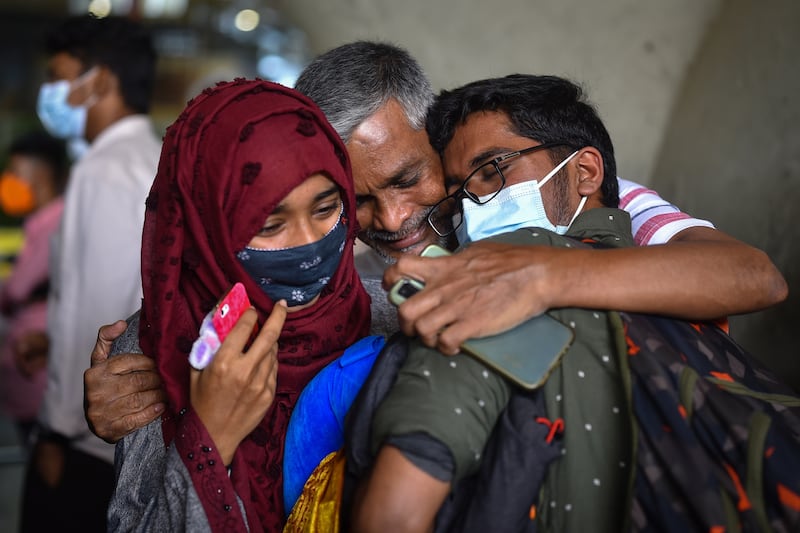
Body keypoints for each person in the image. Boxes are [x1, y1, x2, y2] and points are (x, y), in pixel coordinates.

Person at [83, 41, 786, 444]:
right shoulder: (327, 274)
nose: (390, 219)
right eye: (351, 200)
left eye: (409, 177)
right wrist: (147, 389)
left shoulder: (560, 200)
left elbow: (751, 276)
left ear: (436, 136)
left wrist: (541, 275)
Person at [347, 74, 800, 533]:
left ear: (586, 173)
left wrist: (538, 273)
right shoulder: (484, 277)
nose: (477, 204)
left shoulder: (653, 248)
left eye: (492, 170)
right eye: (461, 194)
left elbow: (755, 275)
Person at [107, 78, 384, 532]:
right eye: (270, 224)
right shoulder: (154, 347)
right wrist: (209, 438)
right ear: (206, 226)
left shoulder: (393, 319)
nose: (311, 245)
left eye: (325, 209)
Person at [20, 14, 160, 533]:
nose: (50, 91)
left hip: (88, 437)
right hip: (138, 422)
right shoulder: (155, 156)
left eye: (58, 76)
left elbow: (94, 316)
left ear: (99, 79)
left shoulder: (103, 168)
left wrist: (58, 433)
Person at [0, 131, 68, 449]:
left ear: (40, 173)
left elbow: (17, 288)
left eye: (15, 172)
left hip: (40, 380)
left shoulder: (55, 222)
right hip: (31, 375)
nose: (8, 180)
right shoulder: (40, 222)